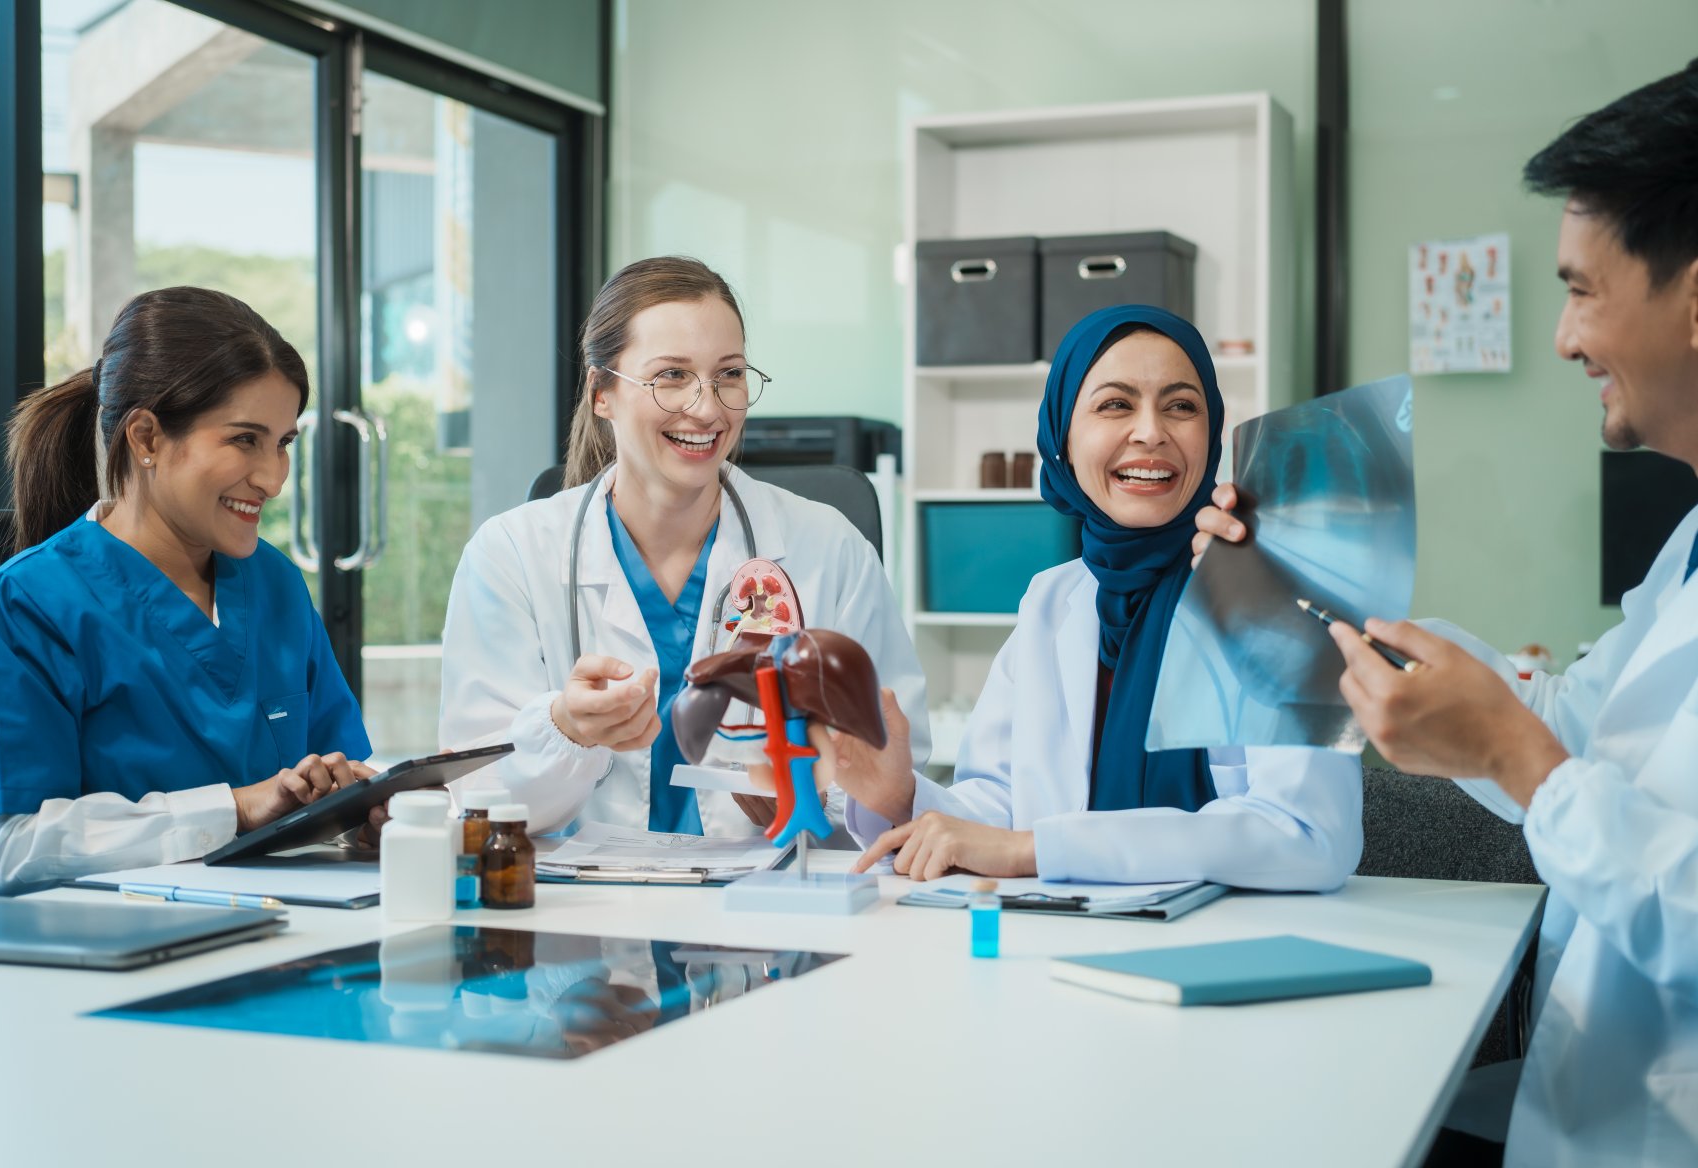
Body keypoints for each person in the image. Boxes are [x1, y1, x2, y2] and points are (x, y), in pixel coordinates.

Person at [1193, 60, 1698, 1167]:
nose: (1565, 339)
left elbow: (1556, 760)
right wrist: (1320, 604)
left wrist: (1524, 763)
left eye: (1581, 289)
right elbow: (1575, 711)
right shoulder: (1689, 549)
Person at [834, 305, 1361, 888]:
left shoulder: (1272, 590)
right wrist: (900, 795)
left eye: (1182, 406)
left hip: (1238, 948)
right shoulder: (1052, 600)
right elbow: (998, 806)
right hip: (1069, 946)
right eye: (1115, 404)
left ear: (1213, 433)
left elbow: (1313, 836)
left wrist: (1041, 851)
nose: (1151, 431)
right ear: (1062, 436)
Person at [439, 256, 928, 836]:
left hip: (768, 909)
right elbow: (476, 797)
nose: (708, 408)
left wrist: (815, 804)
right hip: (580, 911)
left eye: (729, 374)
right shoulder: (510, 555)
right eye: (671, 375)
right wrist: (565, 728)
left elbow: (895, 780)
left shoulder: (829, 549)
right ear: (601, 393)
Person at [0, 287, 375, 899]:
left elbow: (339, 776)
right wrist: (235, 809)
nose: (274, 479)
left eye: (283, 443)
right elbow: (4, 849)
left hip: (269, 933)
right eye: (245, 439)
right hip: (75, 965)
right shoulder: (18, 610)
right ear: (145, 438)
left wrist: (369, 813)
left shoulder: (275, 584)